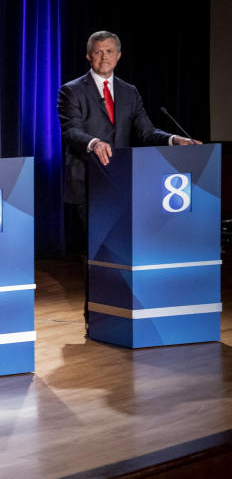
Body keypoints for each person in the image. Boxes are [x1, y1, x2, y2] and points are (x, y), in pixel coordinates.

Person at [57, 30, 200, 332]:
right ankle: (96, 318)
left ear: (118, 56)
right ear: (88, 56)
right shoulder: (71, 90)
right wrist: (94, 143)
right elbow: (71, 131)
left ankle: (125, 312)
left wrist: (174, 140)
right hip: (89, 181)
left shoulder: (129, 91)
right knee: (96, 251)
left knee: (126, 250)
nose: (104, 57)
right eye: (98, 52)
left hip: (124, 184)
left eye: (110, 51)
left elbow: (146, 132)